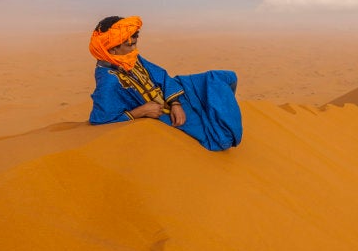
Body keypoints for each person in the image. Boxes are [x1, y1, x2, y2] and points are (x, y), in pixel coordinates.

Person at [88, 16, 242, 151]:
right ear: (112, 49)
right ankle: (214, 114)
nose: (135, 49)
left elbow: (160, 75)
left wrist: (176, 103)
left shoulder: (127, 58)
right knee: (223, 138)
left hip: (173, 93)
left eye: (135, 43)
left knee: (223, 78)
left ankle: (214, 111)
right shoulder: (108, 82)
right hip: (162, 113)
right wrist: (141, 111)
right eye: (130, 45)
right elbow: (102, 122)